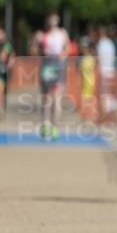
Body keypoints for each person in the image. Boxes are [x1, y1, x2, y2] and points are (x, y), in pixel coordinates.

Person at [34, 12, 71, 140]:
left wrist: (62, 57)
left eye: (55, 19)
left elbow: (68, 48)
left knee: (57, 98)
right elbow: (35, 51)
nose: (53, 22)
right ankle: (45, 125)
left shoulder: (62, 33)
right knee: (47, 98)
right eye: (51, 20)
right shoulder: (42, 35)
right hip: (47, 65)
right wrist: (40, 47)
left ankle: (55, 127)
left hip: (58, 66)